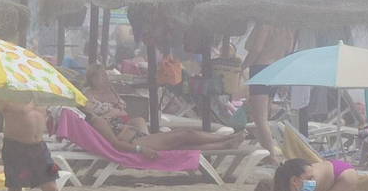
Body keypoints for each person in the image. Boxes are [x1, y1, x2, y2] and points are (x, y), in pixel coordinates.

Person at [81, 66, 248, 154]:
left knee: (181, 146)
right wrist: (141, 150)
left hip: (140, 137)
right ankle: (226, 138)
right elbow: (116, 144)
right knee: (186, 134)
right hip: (137, 143)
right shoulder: (97, 121)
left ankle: (226, 142)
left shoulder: (99, 117)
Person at [243, 23, 294, 161]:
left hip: (261, 68)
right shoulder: (286, 30)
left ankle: (270, 156)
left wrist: (242, 67)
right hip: (276, 70)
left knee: (259, 118)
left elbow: (256, 50)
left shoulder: (264, 26)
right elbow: (288, 56)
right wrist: (284, 81)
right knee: (264, 116)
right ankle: (268, 152)